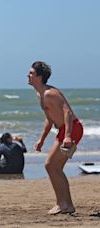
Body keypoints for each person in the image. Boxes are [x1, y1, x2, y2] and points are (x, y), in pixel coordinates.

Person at [27, 61, 83, 215]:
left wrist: (68, 136)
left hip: (72, 129)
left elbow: (68, 113)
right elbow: (49, 120)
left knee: (51, 165)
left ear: (39, 77)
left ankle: (63, 204)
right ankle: (65, 204)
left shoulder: (50, 93)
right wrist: (41, 139)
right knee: (53, 166)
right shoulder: (40, 94)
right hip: (65, 130)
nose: (28, 76)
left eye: (31, 73)